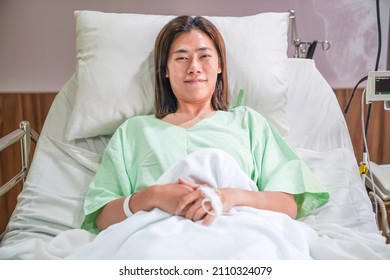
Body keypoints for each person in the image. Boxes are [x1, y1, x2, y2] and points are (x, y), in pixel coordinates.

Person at [81, 15, 329, 234]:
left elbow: (288, 205)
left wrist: (232, 197)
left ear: (220, 66)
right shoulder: (134, 132)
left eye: (204, 56)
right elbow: (102, 217)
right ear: (165, 70)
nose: (194, 68)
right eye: (181, 58)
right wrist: (153, 197)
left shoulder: (248, 123)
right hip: (158, 240)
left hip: (239, 233)